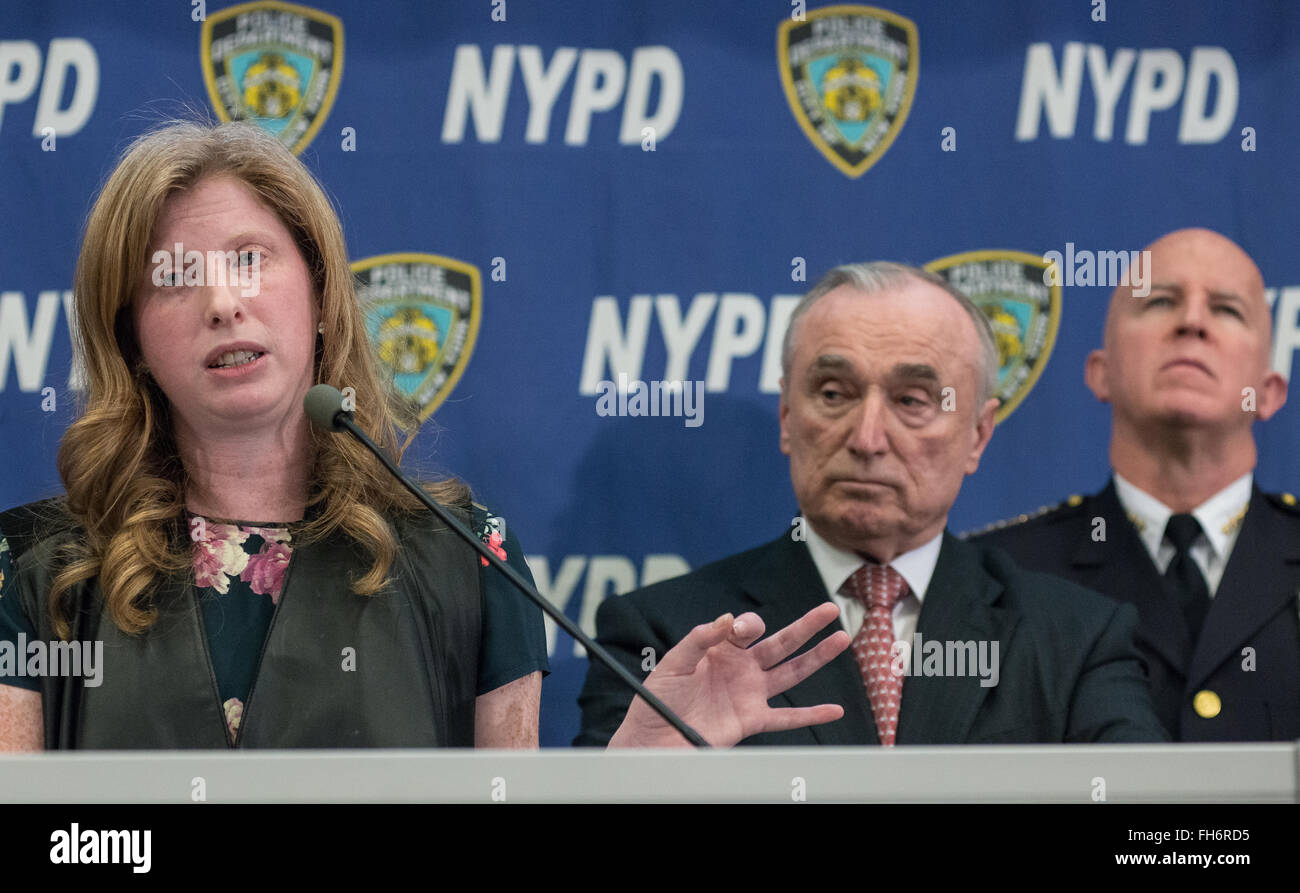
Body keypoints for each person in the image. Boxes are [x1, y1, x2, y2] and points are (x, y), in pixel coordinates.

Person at [0, 119, 848, 752]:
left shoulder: (467, 561)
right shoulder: (36, 570)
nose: (223, 301)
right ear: (132, 336)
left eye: (250, 259)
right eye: (176, 276)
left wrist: (634, 767)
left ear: (321, 296)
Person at [577, 261, 1168, 747]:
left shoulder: (1075, 636)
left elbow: (1159, 837)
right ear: (787, 416)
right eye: (833, 393)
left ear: (978, 436)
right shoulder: (668, 634)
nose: (866, 438)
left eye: (912, 399)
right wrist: (641, 782)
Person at [971, 228, 1298, 742]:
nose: (1192, 323)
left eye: (1227, 310)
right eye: (1161, 302)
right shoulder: (997, 577)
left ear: (1270, 390)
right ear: (1100, 373)